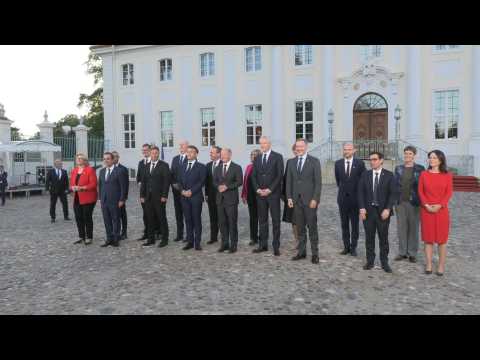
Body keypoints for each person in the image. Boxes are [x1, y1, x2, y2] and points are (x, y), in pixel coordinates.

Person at [358, 151, 397, 273]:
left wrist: (388, 208)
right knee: (369, 238)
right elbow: (360, 193)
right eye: (370, 160)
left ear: (381, 160)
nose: (372, 162)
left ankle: (384, 262)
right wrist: (362, 208)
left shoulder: (389, 175)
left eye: (374, 159)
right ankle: (370, 261)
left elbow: (393, 194)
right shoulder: (365, 175)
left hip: (383, 213)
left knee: (383, 238)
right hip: (368, 212)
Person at [286, 139, 322, 264]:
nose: (299, 148)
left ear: (306, 147)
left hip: (310, 201)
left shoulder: (314, 161)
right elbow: (288, 182)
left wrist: (315, 199)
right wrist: (289, 198)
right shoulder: (291, 162)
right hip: (296, 201)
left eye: (301, 146)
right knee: (300, 228)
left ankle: (315, 254)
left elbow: (318, 183)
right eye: (297, 146)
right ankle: (301, 252)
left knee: (312, 228)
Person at [418, 150, 453, 276]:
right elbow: (421, 192)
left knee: (442, 240)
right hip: (426, 210)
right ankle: (428, 264)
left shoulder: (447, 175)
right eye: (430, 157)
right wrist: (427, 205)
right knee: (428, 239)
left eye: (434, 157)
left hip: (441, 211)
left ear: (440, 160)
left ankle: (441, 266)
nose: (431, 160)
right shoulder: (423, 174)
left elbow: (449, 193)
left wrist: (439, 205)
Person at [251, 136, 284, 256]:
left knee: (276, 221)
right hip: (260, 195)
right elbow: (253, 176)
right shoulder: (257, 158)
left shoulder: (277, 157)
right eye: (261, 144)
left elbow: (279, 175)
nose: (262, 146)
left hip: (273, 194)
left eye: (264, 143)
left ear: (269, 144)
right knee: (262, 221)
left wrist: (270, 189)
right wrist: (258, 189)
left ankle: (276, 246)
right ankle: (263, 245)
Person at [393, 146, 425, 263]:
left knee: (413, 228)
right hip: (400, 203)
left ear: (414, 155)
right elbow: (395, 185)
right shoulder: (398, 168)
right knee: (401, 228)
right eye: (406, 153)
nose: (407, 155)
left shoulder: (420, 169)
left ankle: (412, 253)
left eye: (410, 153)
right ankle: (402, 252)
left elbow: (423, 186)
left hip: (414, 203)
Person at [334, 143, 366, 256]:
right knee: (344, 224)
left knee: (355, 224)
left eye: (349, 149)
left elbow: (363, 181)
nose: (346, 151)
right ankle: (346, 247)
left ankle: (353, 247)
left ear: (354, 150)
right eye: (345, 149)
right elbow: (338, 181)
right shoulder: (338, 164)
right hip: (342, 199)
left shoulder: (360, 163)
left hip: (355, 200)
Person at [140, 146, 171, 247]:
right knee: (149, 218)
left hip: (159, 197)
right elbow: (143, 182)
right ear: (150, 154)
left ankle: (164, 239)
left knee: (161, 218)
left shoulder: (164, 165)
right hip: (148, 197)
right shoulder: (146, 165)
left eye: (156, 153)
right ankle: (151, 239)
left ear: (158, 154)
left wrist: (164, 195)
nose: (154, 155)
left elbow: (166, 182)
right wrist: (142, 195)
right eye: (152, 153)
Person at [213, 148, 243, 253]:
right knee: (222, 223)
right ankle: (224, 244)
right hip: (220, 199)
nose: (222, 156)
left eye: (224, 154)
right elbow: (214, 181)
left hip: (231, 200)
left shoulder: (236, 167)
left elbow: (239, 182)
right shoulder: (217, 167)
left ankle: (233, 245)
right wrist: (218, 187)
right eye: (221, 154)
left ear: (230, 155)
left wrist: (227, 187)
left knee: (232, 222)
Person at [179, 145, 207, 251]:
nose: (189, 153)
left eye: (191, 152)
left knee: (196, 220)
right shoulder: (182, 166)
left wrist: (191, 191)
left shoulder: (201, 167)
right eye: (188, 152)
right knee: (188, 220)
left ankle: (197, 242)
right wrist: (182, 191)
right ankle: (190, 242)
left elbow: (201, 182)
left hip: (195, 197)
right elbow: (179, 181)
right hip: (184, 197)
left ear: (196, 154)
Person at [98, 152, 127, 247]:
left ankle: (116, 239)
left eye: (108, 159)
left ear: (112, 159)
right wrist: (100, 199)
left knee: (116, 220)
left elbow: (123, 187)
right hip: (104, 200)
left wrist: (122, 200)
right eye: (104, 159)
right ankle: (109, 238)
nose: (106, 160)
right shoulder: (102, 171)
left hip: (115, 200)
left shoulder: (119, 171)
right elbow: (100, 186)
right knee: (107, 220)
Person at [70, 153, 98, 245]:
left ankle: (89, 237)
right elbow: (71, 183)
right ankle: (81, 236)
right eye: (77, 158)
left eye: (80, 158)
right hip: (77, 197)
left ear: (85, 160)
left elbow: (93, 184)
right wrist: (72, 188)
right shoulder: (74, 170)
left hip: (88, 197)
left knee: (87, 217)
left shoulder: (90, 170)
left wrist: (82, 188)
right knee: (78, 217)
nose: (78, 160)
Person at [241, 149, 261, 246]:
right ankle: (253, 237)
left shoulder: (262, 166)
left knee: (262, 217)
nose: (253, 156)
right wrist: (244, 195)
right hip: (250, 197)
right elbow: (245, 182)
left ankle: (262, 236)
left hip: (260, 196)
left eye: (255, 155)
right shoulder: (249, 167)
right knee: (252, 218)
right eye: (252, 155)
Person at [171, 140, 189, 242]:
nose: (181, 146)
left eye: (183, 145)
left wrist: (183, 187)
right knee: (178, 213)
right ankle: (179, 234)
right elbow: (172, 173)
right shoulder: (175, 159)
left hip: (186, 191)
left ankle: (189, 235)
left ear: (187, 146)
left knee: (187, 213)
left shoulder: (190, 158)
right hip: (176, 191)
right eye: (180, 145)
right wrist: (173, 183)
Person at [282, 143, 299, 250]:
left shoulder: (310, 161)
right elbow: (286, 179)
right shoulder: (290, 162)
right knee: (293, 221)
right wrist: (285, 196)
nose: (297, 152)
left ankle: (303, 239)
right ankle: (297, 240)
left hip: (304, 197)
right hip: (292, 197)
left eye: (298, 149)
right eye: (295, 150)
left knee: (303, 221)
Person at [205, 146, 222, 244]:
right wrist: (206, 194)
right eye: (210, 153)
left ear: (218, 154)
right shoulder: (208, 165)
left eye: (212, 152)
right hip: (211, 196)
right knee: (213, 217)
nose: (210, 154)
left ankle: (225, 236)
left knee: (222, 218)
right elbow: (207, 182)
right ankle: (213, 237)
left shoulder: (223, 164)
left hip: (221, 196)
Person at [112, 151, 129, 240]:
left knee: (122, 215)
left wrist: (124, 197)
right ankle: (115, 232)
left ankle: (124, 232)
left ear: (118, 157)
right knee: (114, 216)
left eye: (115, 156)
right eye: (112, 157)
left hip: (120, 197)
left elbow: (126, 184)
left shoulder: (123, 169)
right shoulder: (109, 168)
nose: (114, 158)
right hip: (112, 197)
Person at [136, 143, 152, 241]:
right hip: (143, 193)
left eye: (146, 150)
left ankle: (156, 231)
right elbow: (138, 176)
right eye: (143, 150)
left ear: (150, 151)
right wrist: (139, 183)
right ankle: (146, 232)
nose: (144, 152)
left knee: (154, 213)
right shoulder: (141, 163)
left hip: (152, 193)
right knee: (145, 214)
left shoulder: (154, 162)